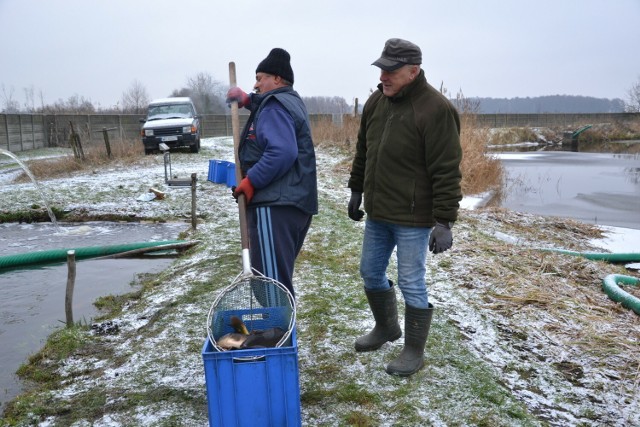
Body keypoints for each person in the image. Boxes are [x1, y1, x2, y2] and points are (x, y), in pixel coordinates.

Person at [347, 38, 462, 376]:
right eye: (382, 69)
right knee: (370, 272)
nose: (384, 76)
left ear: (413, 71)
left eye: (391, 71)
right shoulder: (376, 102)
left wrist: (444, 221)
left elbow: (447, 169)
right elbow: (363, 151)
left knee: (411, 281)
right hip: (379, 211)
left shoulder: (436, 110)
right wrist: (356, 190)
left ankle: (414, 350)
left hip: (413, 217)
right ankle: (386, 328)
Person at [226, 48, 318, 299]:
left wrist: (251, 181)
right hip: (292, 203)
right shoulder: (289, 101)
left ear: (276, 79)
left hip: (275, 205)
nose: (255, 84)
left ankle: (276, 333)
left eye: (260, 78)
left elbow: (281, 152)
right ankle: (278, 329)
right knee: (275, 274)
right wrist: (248, 101)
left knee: (269, 280)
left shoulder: (274, 107)